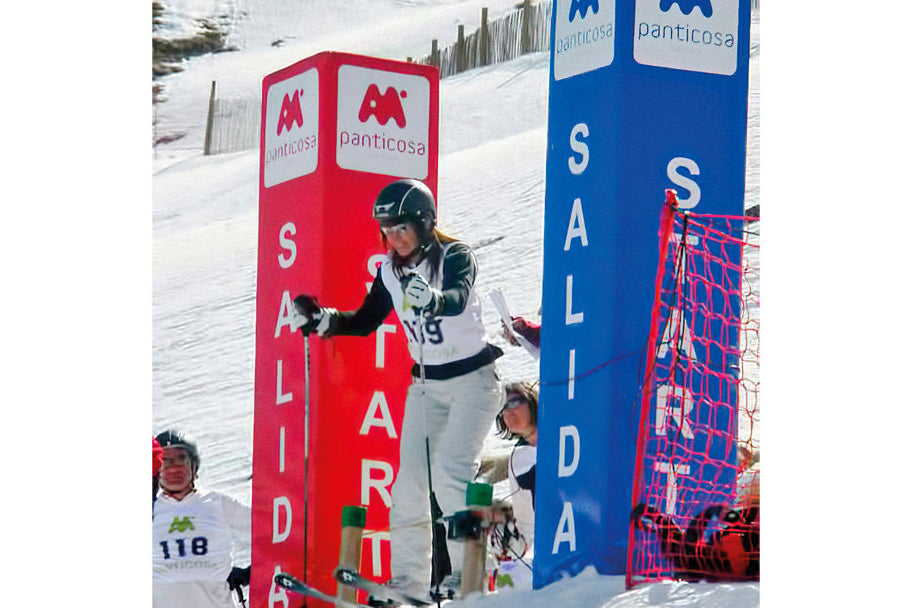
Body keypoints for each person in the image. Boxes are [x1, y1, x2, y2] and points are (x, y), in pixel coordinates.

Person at [292, 178, 503, 601]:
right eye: (387, 231)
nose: (394, 238)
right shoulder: (389, 271)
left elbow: (458, 296)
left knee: (449, 474)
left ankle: (470, 574)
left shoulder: (454, 255)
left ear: (425, 223)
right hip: (427, 385)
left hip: (473, 383)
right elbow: (367, 319)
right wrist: (326, 320)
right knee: (407, 486)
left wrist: (435, 301)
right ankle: (409, 581)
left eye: (402, 228)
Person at [152, 430, 252, 608]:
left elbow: (272, 531)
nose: (174, 468)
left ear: (194, 465)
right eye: (166, 461)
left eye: (181, 459)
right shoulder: (152, 511)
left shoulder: (216, 503)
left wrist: (250, 573)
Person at [488, 382, 537, 590]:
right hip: (542, 549)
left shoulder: (564, 434)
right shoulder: (520, 458)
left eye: (514, 402)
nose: (509, 413)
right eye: (502, 409)